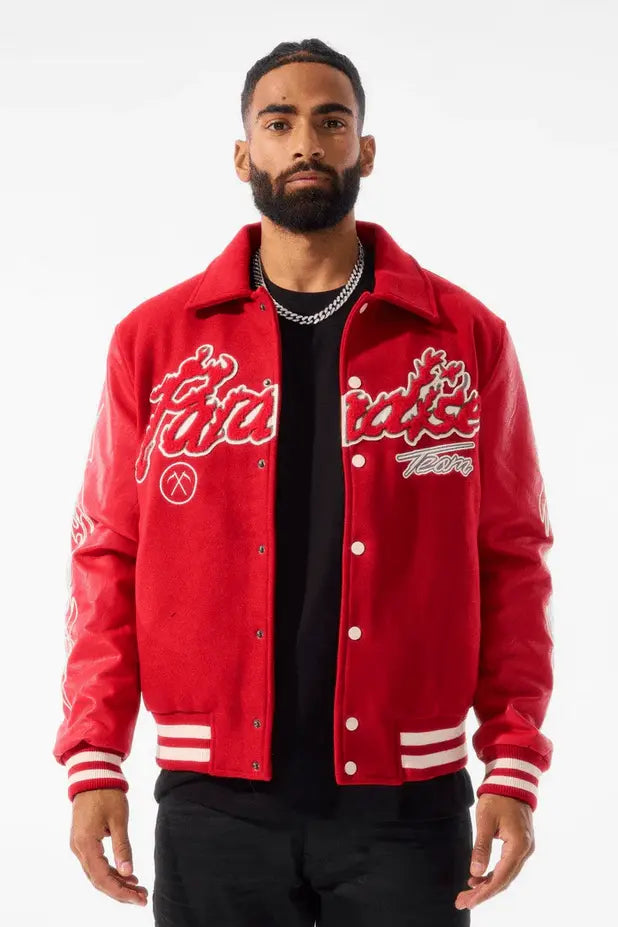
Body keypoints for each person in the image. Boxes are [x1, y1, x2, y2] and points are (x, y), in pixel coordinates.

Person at [53, 38, 554, 926]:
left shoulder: (462, 336)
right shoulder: (155, 340)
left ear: (367, 149)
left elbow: (512, 557)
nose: (306, 144)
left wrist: (512, 762)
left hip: (408, 802)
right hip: (213, 801)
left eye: (332, 121)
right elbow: (108, 553)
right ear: (243, 154)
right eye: (279, 124)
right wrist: (95, 757)